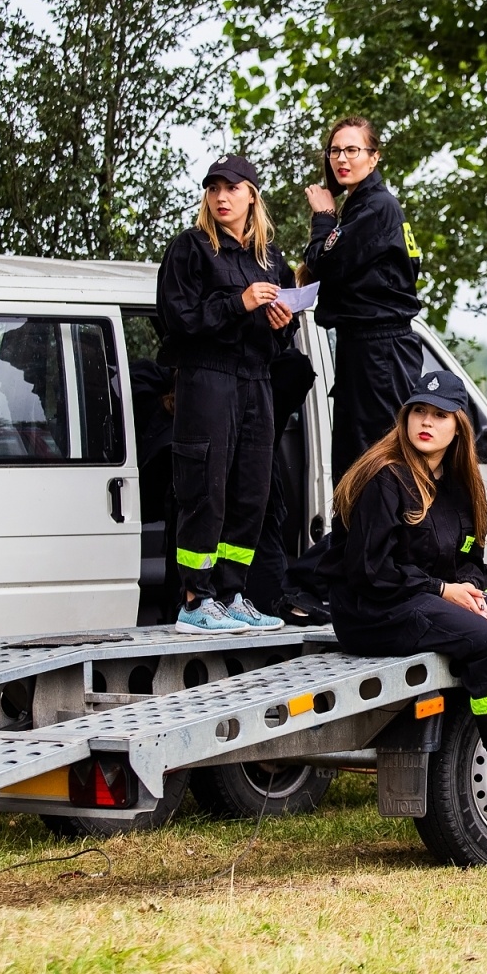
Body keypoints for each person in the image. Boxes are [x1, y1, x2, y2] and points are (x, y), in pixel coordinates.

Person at [319, 370, 487, 846]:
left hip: (430, 597)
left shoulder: (460, 487)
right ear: (406, 419)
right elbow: (370, 572)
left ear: (458, 426)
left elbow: (467, 563)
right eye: (419, 411)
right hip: (376, 610)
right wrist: (445, 590)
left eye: (439, 415)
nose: (426, 422)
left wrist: (486, 592)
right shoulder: (387, 479)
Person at [156, 154, 293, 633]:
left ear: (251, 194)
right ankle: (196, 599)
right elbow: (178, 322)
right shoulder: (190, 249)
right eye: (213, 188)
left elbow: (281, 343)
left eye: (232, 188)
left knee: (250, 491)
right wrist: (238, 303)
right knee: (205, 488)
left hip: (257, 381)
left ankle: (233, 593)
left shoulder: (271, 258)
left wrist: (281, 325)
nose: (221, 197)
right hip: (206, 380)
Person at [301, 116, 424, 484]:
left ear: (374, 157)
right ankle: (353, 540)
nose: (342, 158)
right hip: (364, 347)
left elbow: (324, 261)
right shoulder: (361, 206)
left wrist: (323, 217)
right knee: (355, 464)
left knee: (375, 464)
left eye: (352, 150)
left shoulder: (377, 207)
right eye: (335, 150)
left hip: (379, 351)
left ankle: (374, 540)